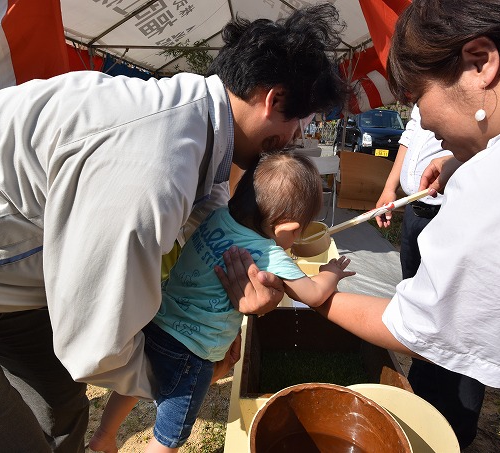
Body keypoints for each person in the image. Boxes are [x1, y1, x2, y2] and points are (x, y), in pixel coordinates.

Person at [0, 4, 350, 452]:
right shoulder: (154, 165)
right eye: (299, 122)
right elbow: (95, 342)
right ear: (274, 99)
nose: (298, 136)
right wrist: (189, 367)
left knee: (62, 405)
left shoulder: (194, 124)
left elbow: (209, 210)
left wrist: (247, 285)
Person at [218, 1, 500, 451]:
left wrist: (304, 290)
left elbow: (421, 326)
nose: (427, 127)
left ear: (481, 63)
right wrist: (460, 159)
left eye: (417, 100)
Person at [88, 151, 353, 452]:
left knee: (135, 384)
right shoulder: (269, 252)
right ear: (287, 229)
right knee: (170, 433)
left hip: (157, 322)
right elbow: (314, 294)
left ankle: (104, 436)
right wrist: (331, 272)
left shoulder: (218, 216)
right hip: (191, 354)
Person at [375, 104, 485, 449]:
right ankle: (420, 399)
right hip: (416, 212)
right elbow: (409, 138)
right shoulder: (428, 92)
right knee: (419, 306)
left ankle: (456, 428)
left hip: (453, 214)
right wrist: (390, 188)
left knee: (456, 318)